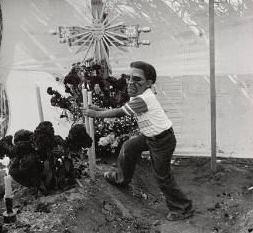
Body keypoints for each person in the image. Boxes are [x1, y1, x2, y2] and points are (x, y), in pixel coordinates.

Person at [82, 61, 194, 221]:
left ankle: (183, 208)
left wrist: (95, 114)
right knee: (128, 147)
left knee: (162, 176)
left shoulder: (144, 98)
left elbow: (120, 112)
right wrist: (98, 110)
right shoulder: (139, 97)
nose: (131, 82)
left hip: (162, 141)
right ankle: (120, 179)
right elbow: (124, 109)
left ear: (149, 83)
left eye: (137, 79)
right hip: (151, 136)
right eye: (129, 78)